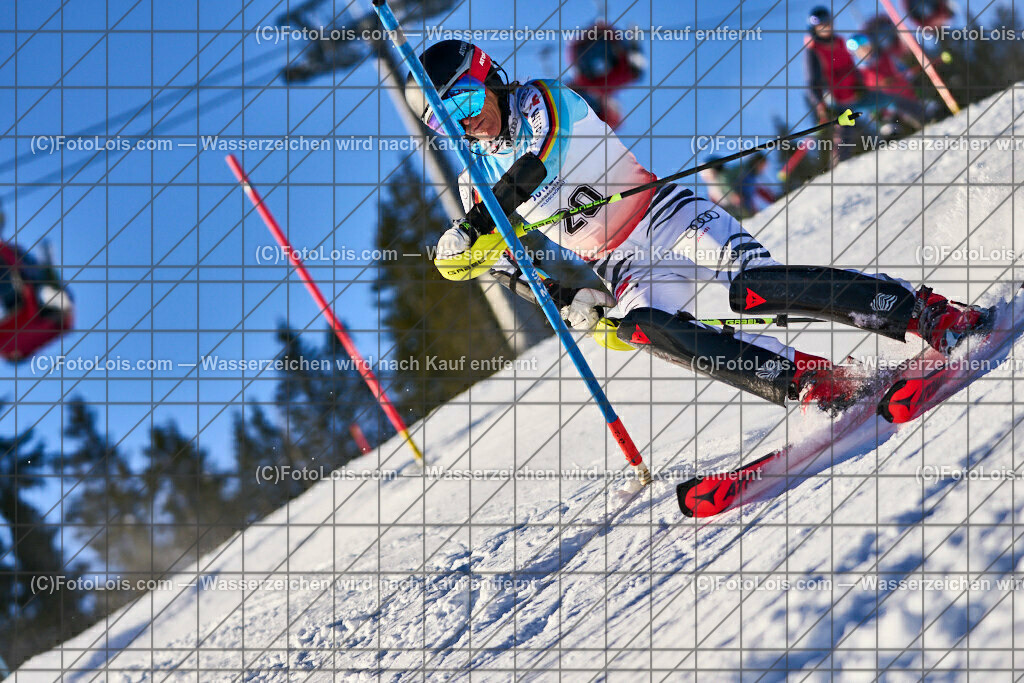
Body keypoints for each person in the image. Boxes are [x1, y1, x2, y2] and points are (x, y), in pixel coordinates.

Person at [405, 40, 991, 414]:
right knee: (642, 327)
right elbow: (510, 268)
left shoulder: (541, 100)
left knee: (756, 288)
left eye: (466, 103)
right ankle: (810, 380)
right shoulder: (476, 184)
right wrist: (567, 299)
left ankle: (922, 311)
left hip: (667, 215)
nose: (466, 125)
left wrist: (477, 224)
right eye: (444, 123)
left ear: (491, 77)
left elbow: (539, 163)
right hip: (621, 263)